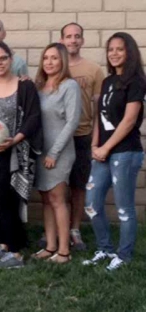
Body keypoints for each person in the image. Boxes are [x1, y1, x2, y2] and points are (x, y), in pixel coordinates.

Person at [0, 42, 42, 269]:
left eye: (2, 58)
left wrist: (16, 139)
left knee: (7, 200)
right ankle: (4, 244)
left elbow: (33, 117)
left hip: (15, 153)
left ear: (11, 59)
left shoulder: (25, 87)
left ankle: (15, 253)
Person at [82, 32, 145, 271]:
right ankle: (104, 249)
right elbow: (100, 118)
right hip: (102, 152)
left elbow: (129, 121)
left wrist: (107, 148)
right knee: (92, 204)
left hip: (125, 153)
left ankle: (124, 255)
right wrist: (94, 146)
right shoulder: (108, 82)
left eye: (120, 49)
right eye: (111, 49)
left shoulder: (136, 81)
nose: (114, 53)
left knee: (124, 208)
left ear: (129, 52)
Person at [32, 43, 82, 264]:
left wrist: (54, 152)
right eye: (46, 58)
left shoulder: (69, 86)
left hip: (59, 152)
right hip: (41, 152)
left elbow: (72, 122)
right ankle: (50, 246)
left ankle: (63, 251)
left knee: (58, 199)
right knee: (46, 199)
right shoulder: (40, 87)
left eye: (54, 58)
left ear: (62, 60)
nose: (49, 62)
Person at [59, 22, 105, 251]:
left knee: (78, 186)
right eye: (69, 36)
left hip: (82, 135)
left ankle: (75, 230)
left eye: (77, 36)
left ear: (83, 40)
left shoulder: (94, 70)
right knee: (58, 186)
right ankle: (58, 229)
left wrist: (96, 139)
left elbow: (99, 109)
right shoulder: (55, 67)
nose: (73, 40)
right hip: (58, 138)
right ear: (62, 41)